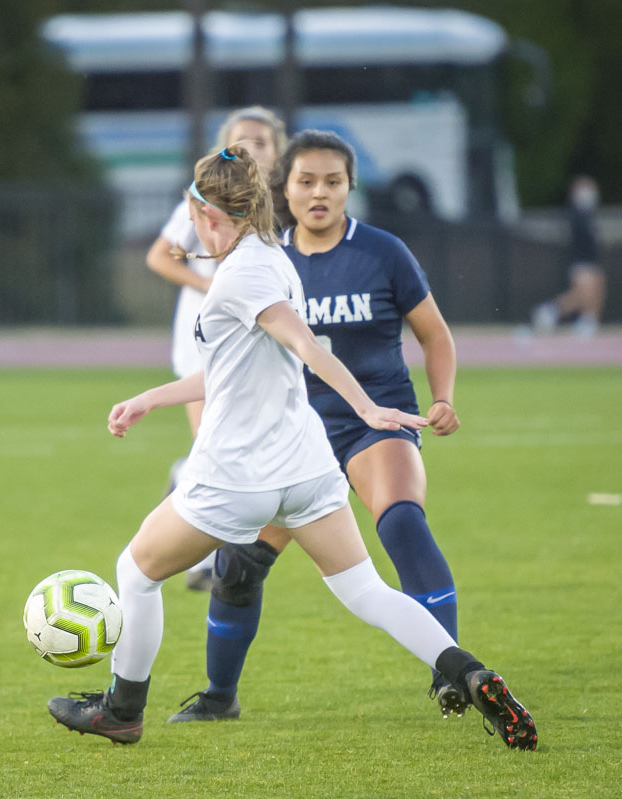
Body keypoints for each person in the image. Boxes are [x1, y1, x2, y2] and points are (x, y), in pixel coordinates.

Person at [46, 145, 537, 751]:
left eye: (192, 212)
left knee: (135, 571)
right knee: (366, 592)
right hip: (305, 465)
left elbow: (307, 347)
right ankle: (471, 673)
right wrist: (153, 397)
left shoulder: (245, 273)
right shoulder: (272, 255)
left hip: (240, 474)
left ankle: (122, 709)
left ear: (208, 214)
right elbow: (237, 366)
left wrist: (367, 409)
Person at [170, 129, 472, 725]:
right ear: (282, 187)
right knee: (238, 566)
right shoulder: (265, 259)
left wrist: (443, 398)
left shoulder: (384, 252)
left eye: (332, 181)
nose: (319, 192)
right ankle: (218, 696)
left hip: (373, 423)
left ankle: (452, 675)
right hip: (291, 438)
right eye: (305, 180)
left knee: (403, 522)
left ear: (349, 187)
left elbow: (435, 334)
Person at [144, 107, 286, 591]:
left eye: (263, 141)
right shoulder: (204, 197)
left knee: (228, 447)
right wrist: (214, 289)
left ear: (278, 148)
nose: (253, 147)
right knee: (217, 448)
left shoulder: (285, 203)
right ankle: (206, 563)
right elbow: (159, 256)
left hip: (249, 344)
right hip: (202, 340)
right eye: (243, 139)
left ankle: (196, 513)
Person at [531, 175, 604, 338]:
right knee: (582, 295)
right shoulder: (576, 217)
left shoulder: (588, 216)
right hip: (581, 262)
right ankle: (550, 311)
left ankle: (588, 322)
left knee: (594, 293)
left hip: (590, 261)